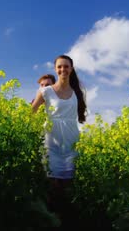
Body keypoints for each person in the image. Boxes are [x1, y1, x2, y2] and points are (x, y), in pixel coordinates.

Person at [31, 55, 87, 227]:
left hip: (71, 140)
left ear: (71, 68)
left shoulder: (77, 92)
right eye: (60, 67)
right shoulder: (45, 91)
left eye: (66, 67)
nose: (63, 70)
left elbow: (78, 116)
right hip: (51, 140)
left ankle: (68, 220)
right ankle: (51, 220)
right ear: (56, 69)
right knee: (53, 183)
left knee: (69, 184)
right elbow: (31, 113)